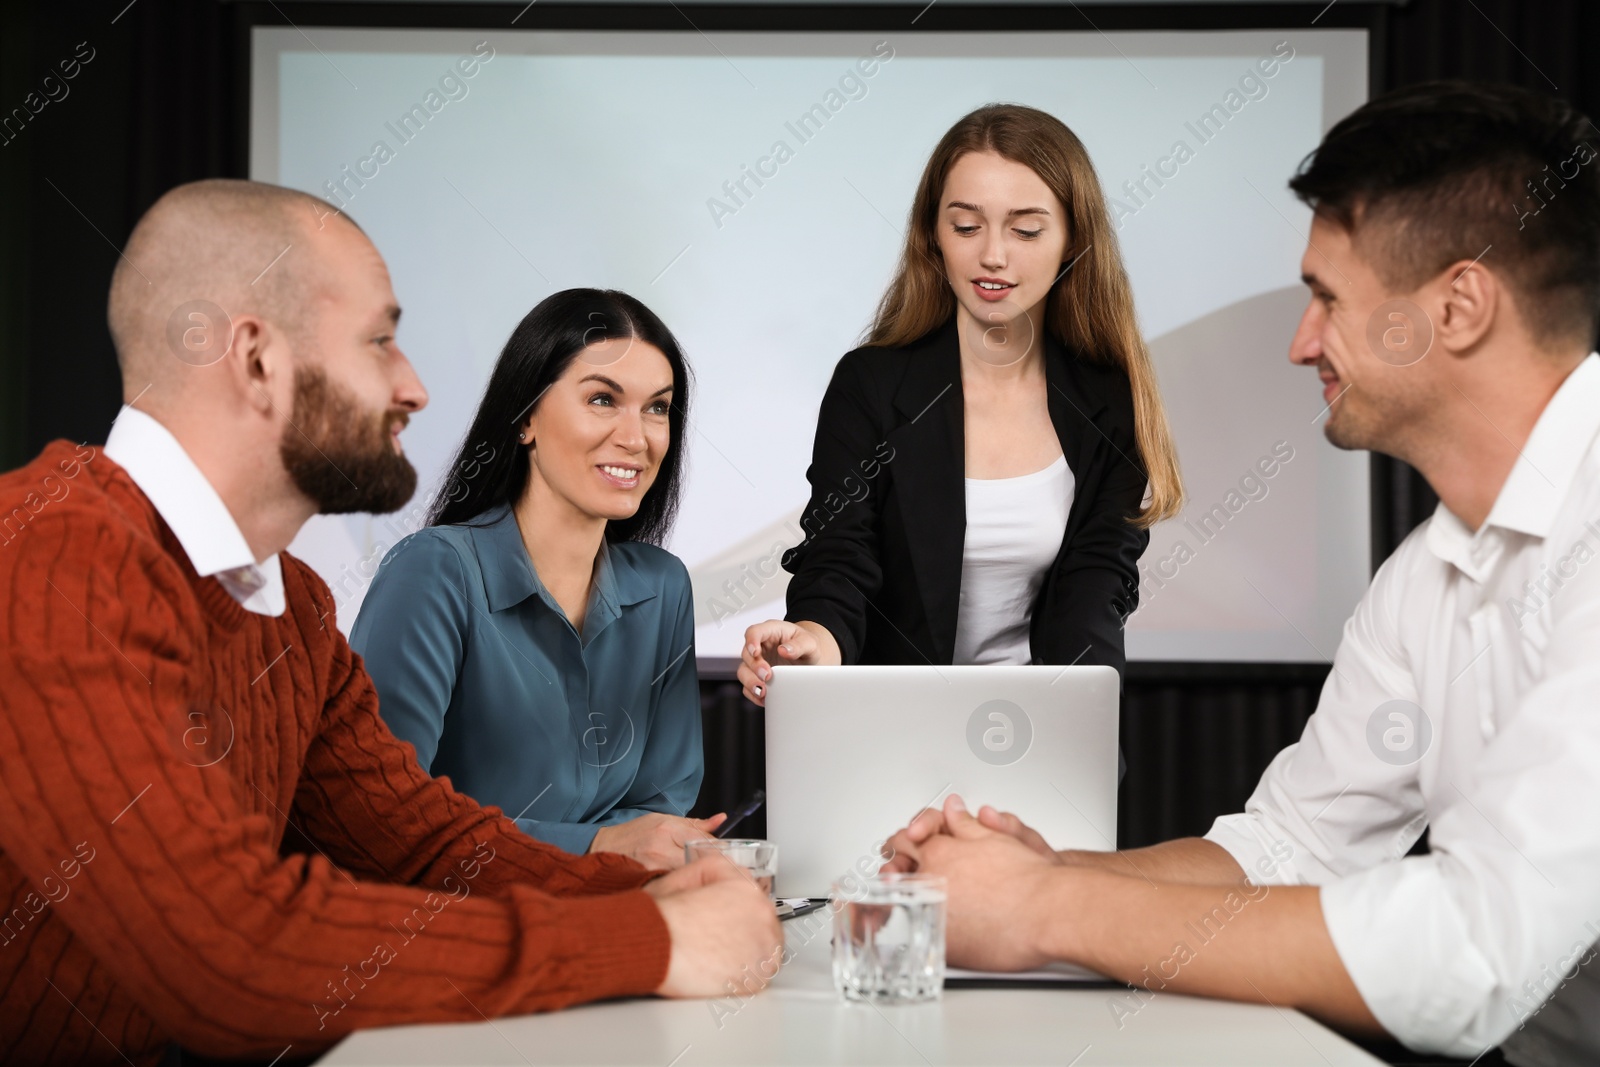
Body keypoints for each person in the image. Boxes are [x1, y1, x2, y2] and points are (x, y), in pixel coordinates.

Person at [882, 82, 1600, 1065]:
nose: (1302, 340)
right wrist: (1039, 869)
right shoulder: (1423, 577)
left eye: (1326, 297)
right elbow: (1287, 850)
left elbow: (1476, 949)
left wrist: (1044, 906)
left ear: (1459, 305)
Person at [0, 179, 780, 1066]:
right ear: (257, 359)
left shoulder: (289, 605)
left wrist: (646, 891)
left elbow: (424, 844)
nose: (413, 386)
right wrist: (651, 942)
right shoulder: (51, 552)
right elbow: (232, 944)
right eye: (380, 342)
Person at [738, 103, 1182, 705]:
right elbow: (838, 556)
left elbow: (1096, 591)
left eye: (1026, 230)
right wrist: (814, 643)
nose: (993, 255)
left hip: (1036, 732)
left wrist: (1082, 734)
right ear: (933, 235)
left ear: (1073, 239)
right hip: (890, 732)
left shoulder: (1108, 399)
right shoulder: (870, 384)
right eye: (967, 227)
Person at [351, 290, 722, 869]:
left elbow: (659, 806)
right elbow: (381, 816)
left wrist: (635, 850)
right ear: (525, 417)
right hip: (450, 928)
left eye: (657, 408)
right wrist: (593, 845)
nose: (637, 437)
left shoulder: (664, 587)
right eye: (603, 399)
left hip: (605, 915)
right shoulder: (434, 572)